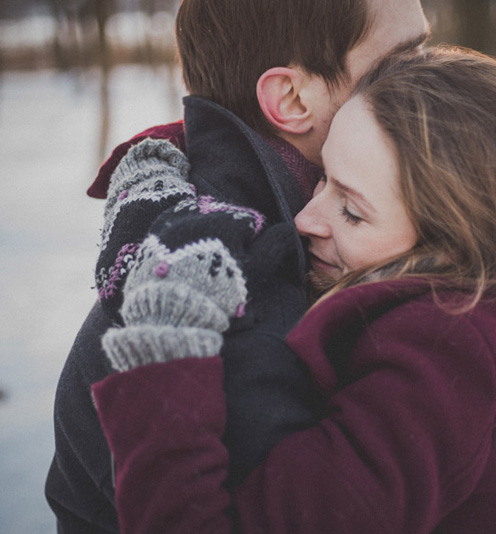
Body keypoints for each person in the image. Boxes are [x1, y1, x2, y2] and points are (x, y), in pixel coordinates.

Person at [90, 46, 496, 533]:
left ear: (453, 247)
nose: (306, 219)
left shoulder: (437, 369)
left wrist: (165, 348)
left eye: (352, 211)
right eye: (322, 178)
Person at [45, 0, 430, 531]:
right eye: (403, 61)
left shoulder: (324, 236)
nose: (436, 78)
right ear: (291, 98)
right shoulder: (239, 315)